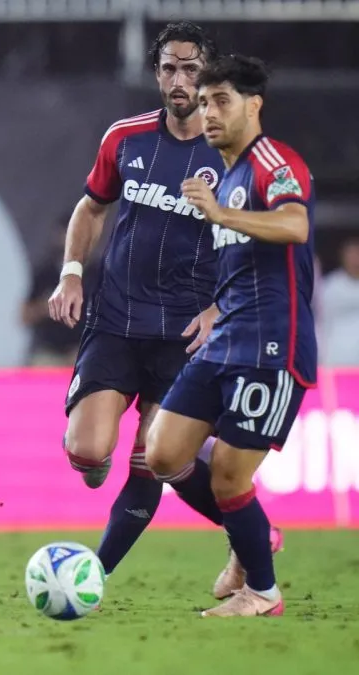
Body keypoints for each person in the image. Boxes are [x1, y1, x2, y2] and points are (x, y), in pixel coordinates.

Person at [46, 22, 282, 591]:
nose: (180, 80)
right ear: (157, 74)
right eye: (170, 68)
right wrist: (72, 273)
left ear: (209, 74)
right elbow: (90, 207)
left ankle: (94, 574)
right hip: (116, 320)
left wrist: (220, 309)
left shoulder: (232, 152)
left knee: (157, 458)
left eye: (191, 69)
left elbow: (258, 240)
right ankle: (246, 530)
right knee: (87, 450)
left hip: (185, 334)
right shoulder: (125, 137)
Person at [148, 54, 316, 618]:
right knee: (163, 451)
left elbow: (294, 224)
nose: (209, 112)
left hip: (271, 344)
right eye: (203, 103)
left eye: (221, 101)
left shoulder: (273, 161)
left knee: (228, 475)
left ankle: (262, 594)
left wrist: (221, 215)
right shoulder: (227, 174)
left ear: (254, 105)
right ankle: (252, 536)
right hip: (226, 339)